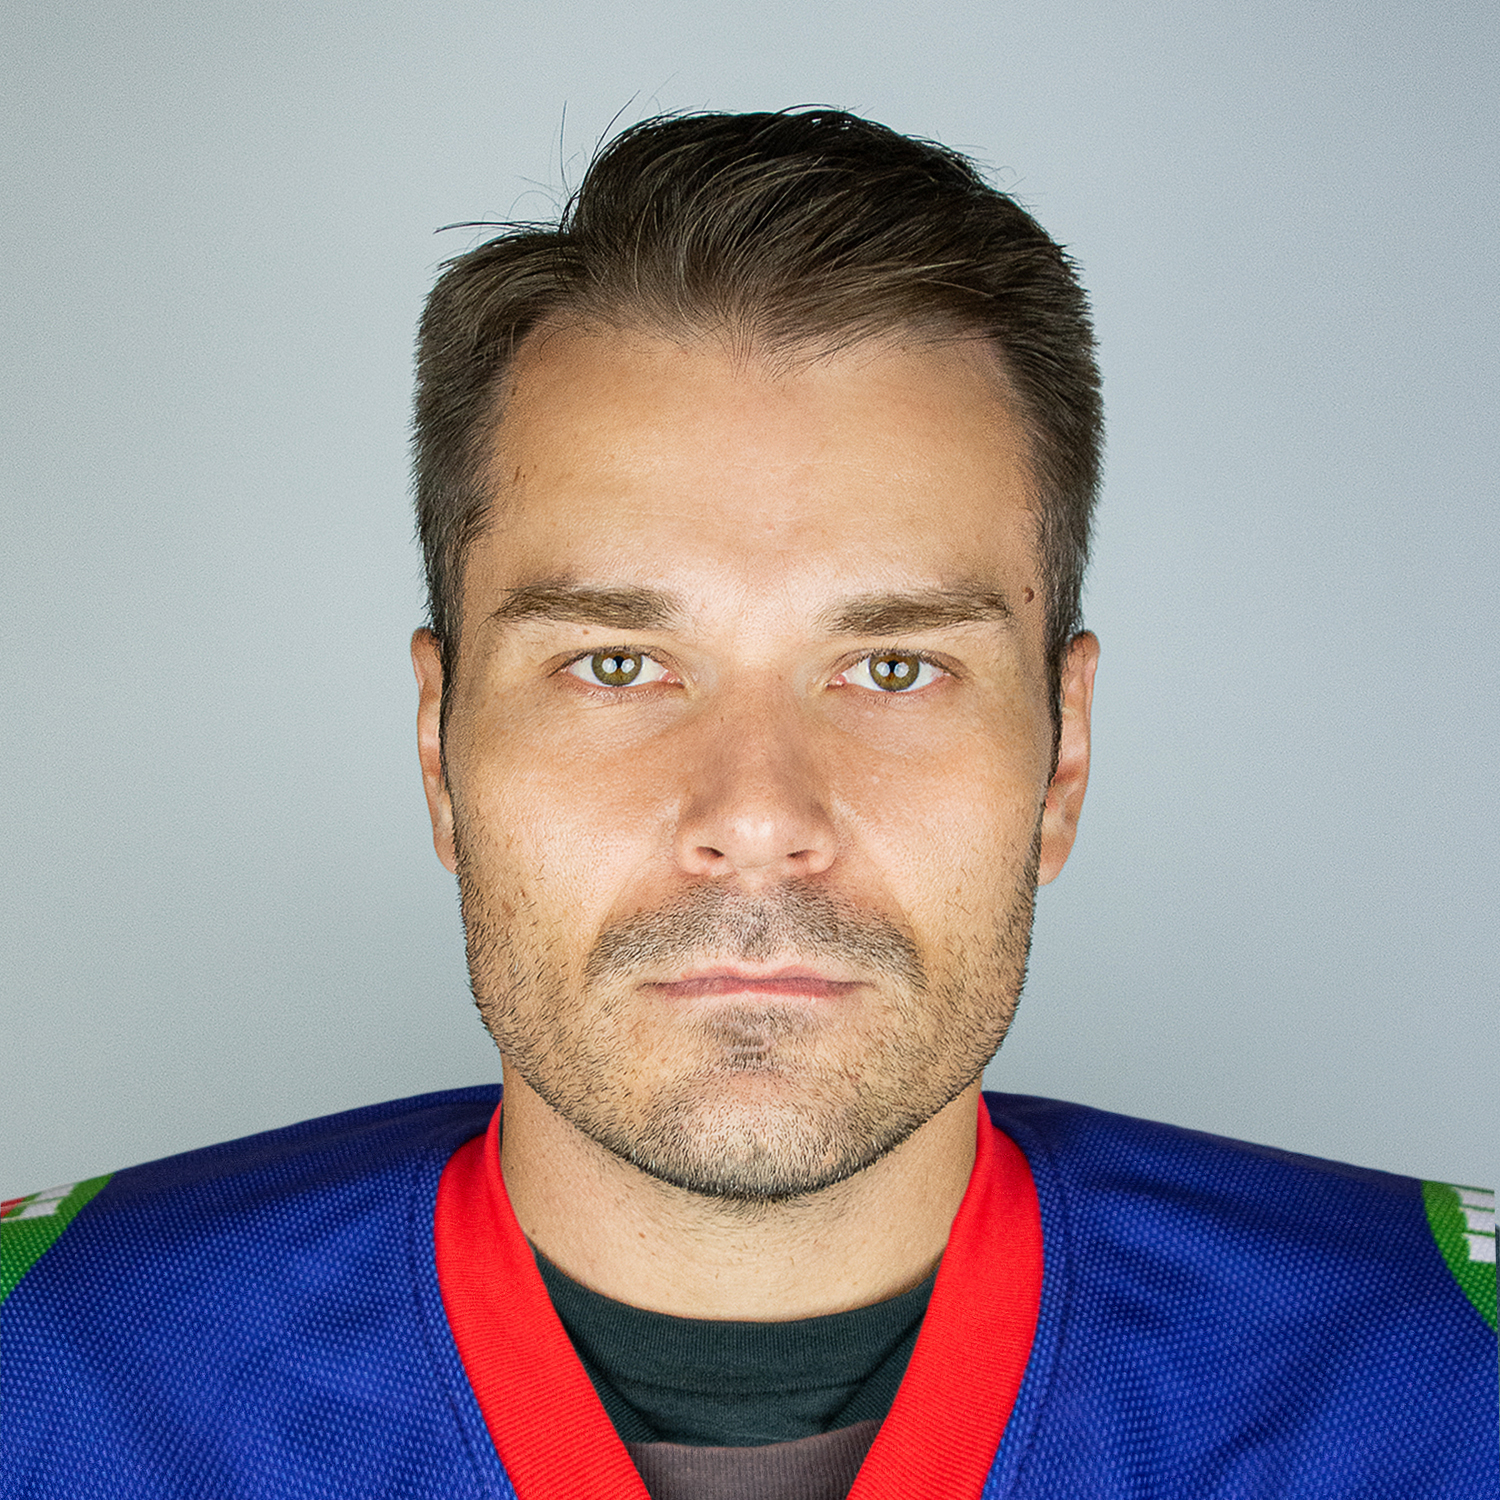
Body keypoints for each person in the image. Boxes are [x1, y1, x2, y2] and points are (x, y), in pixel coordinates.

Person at [1, 109, 1493, 1500]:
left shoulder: (1448, 1378)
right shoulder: (47, 1375)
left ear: (1063, 755)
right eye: (616, 664)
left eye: (894, 667)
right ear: (441, 752)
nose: (759, 814)